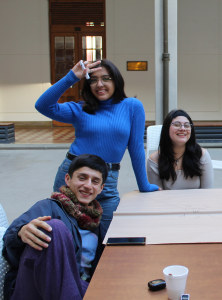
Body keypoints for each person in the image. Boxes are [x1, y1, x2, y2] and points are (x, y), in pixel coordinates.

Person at [35, 60, 159, 236]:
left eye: (106, 78)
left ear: (116, 81)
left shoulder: (132, 106)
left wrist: (144, 185)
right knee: (65, 232)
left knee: (108, 234)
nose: (99, 84)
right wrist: (72, 77)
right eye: (93, 80)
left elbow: (136, 147)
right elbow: (42, 105)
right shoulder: (80, 109)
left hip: (107, 182)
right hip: (74, 178)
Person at [2, 154, 109, 300]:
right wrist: (20, 232)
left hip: (78, 288)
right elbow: (9, 242)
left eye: (95, 181)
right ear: (67, 179)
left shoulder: (98, 225)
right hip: (33, 288)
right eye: (82, 178)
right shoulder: (49, 207)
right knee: (55, 227)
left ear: (101, 188)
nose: (88, 185)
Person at [147, 109, 214, 189]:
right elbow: (157, 196)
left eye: (186, 125)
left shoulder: (202, 155)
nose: (183, 128)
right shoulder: (154, 160)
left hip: (198, 201)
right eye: (177, 124)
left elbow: (207, 192)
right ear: (166, 129)